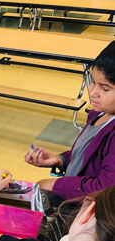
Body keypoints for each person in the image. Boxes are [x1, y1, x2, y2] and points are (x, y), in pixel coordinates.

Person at [25, 40, 115, 200]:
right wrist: (61, 160)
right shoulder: (99, 114)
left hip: (87, 208)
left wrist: (54, 185)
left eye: (105, 88)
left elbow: (106, 188)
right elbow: (87, 157)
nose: (93, 92)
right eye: (93, 82)